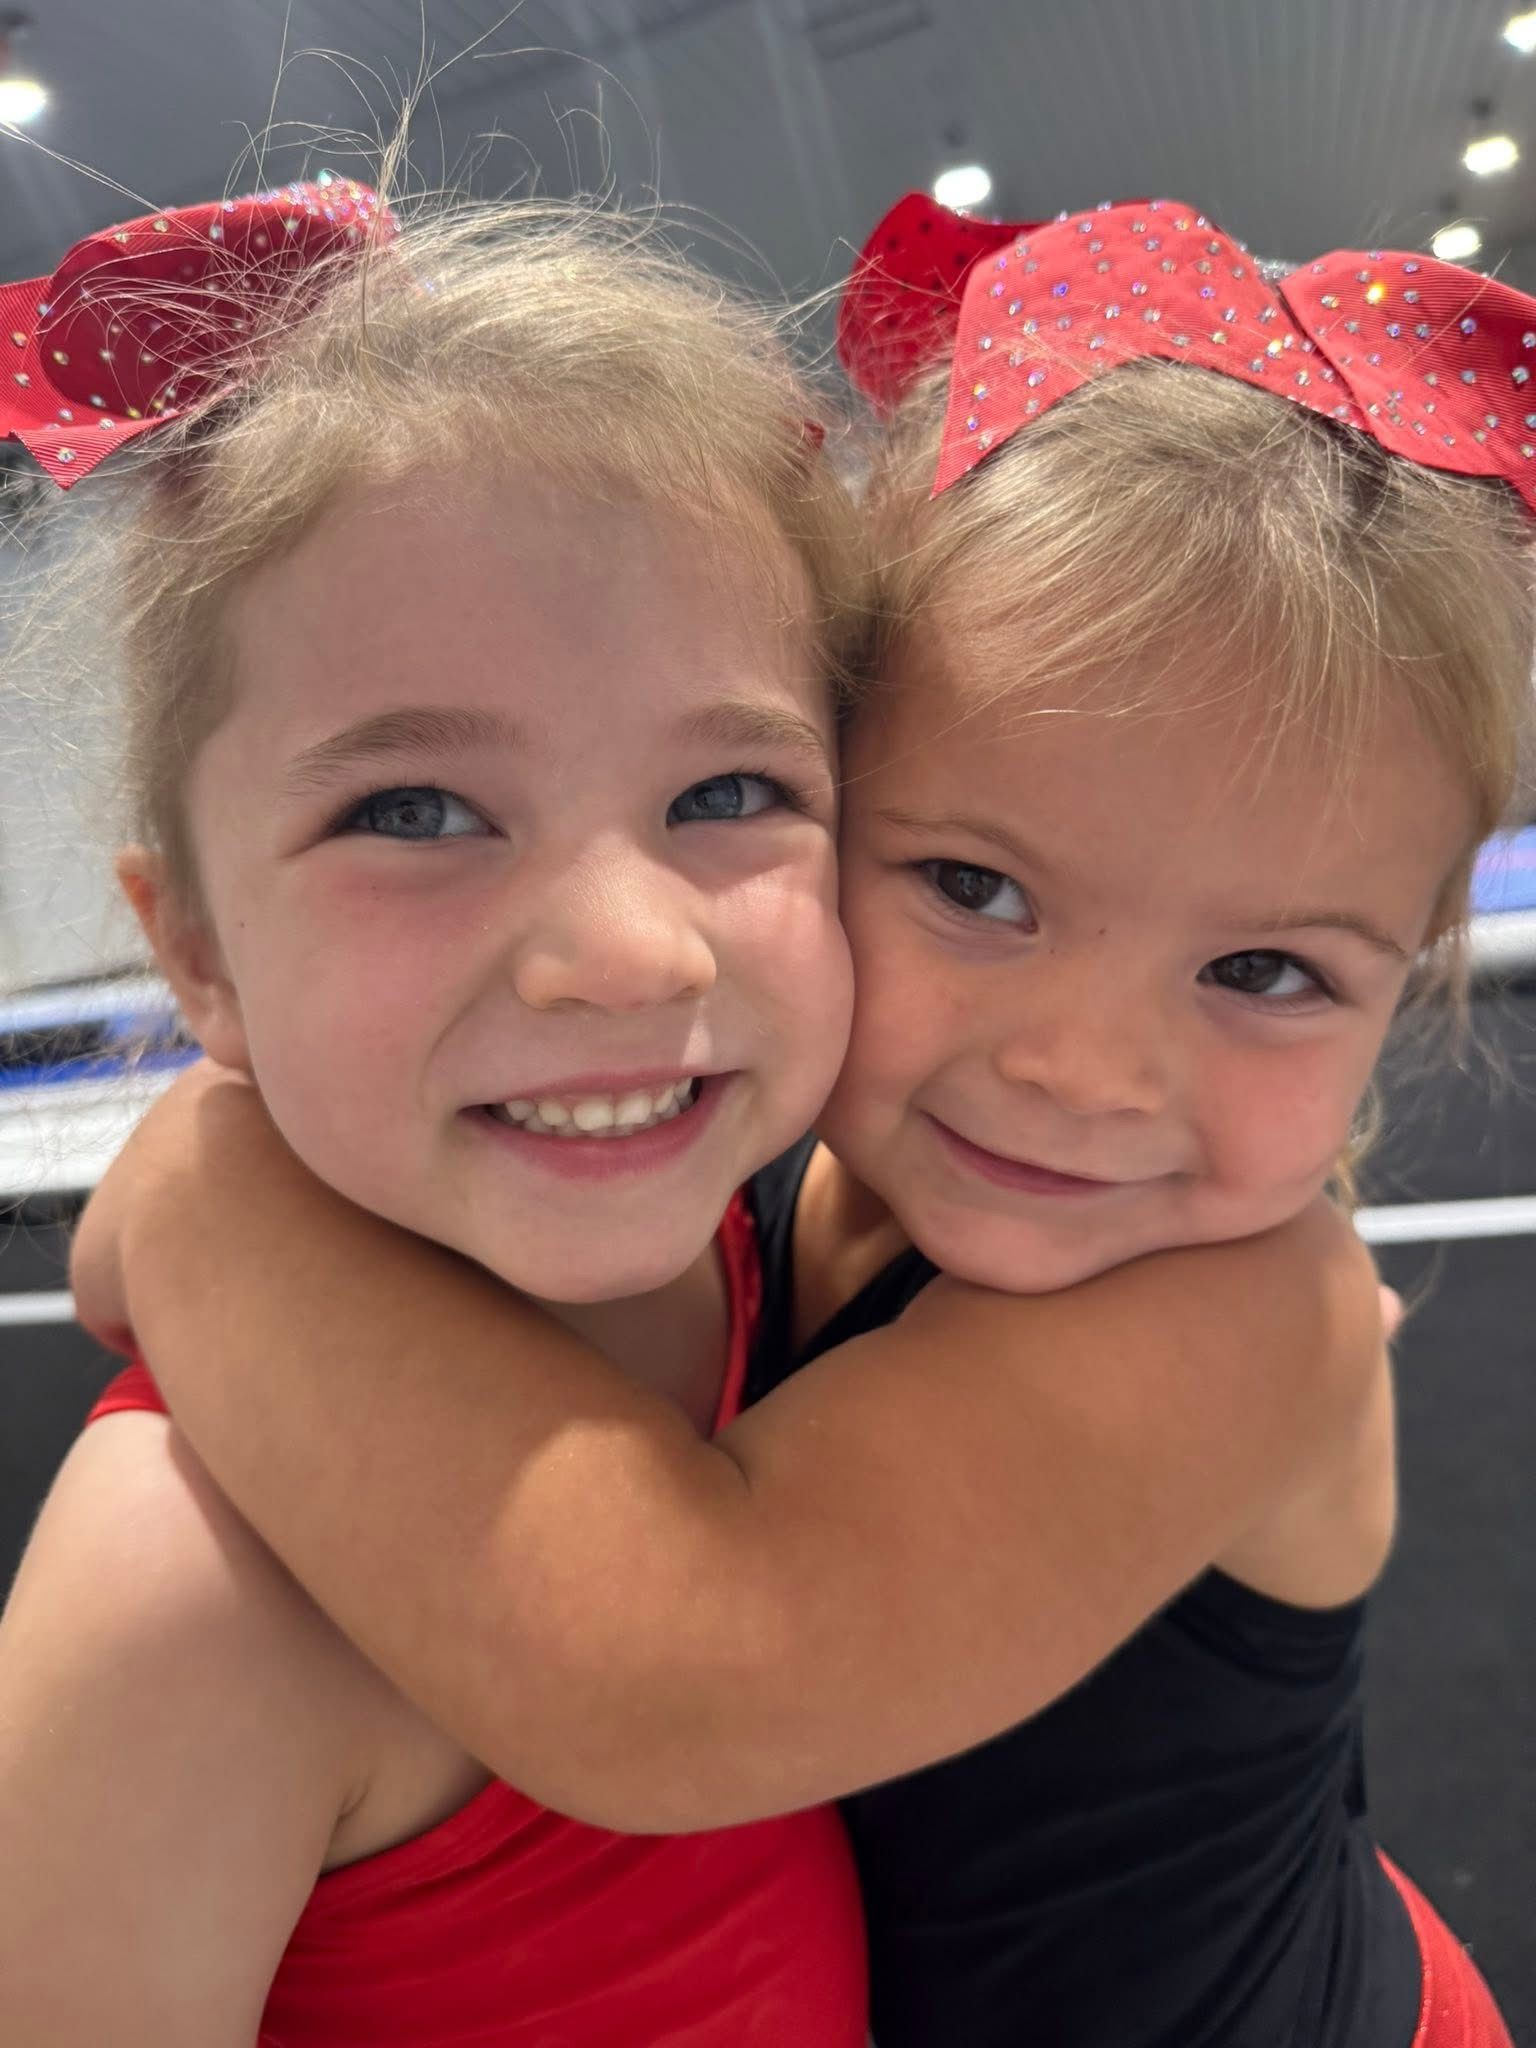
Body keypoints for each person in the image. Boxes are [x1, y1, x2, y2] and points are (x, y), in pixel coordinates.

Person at [64, 195, 1530, 2044]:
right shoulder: (775, 1168)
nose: (1081, 1068)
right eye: (977, 891)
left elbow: (681, 1672)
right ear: (843, 784)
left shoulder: (1248, 1310)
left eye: (1265, 972)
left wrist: (205, 1190)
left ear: (1412, 977)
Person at [0, 180, 873, 2046]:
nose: (627, 954)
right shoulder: (184, 1601)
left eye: (730, 791)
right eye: (412, 813)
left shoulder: (801, 1242)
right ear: (197, 953)